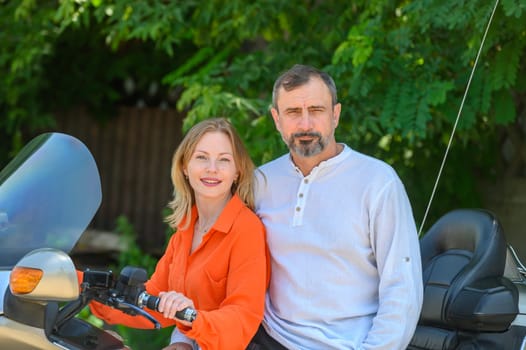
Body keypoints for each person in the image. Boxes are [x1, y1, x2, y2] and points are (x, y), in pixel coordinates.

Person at [249, 64, 423, 349]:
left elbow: (402, 288)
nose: (305, 124)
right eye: (293, 112)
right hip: (269, 339)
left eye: (316, 110)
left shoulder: (378, 181)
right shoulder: (261, 181)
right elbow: (221, 263)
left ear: (335, 115)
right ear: (276, 119)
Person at [88, 118, 270, 350]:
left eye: (224, 160)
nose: (212, 168)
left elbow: (242, 319)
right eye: (201, 157)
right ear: (185, 167)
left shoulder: (246, 229)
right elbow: (153, 299)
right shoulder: (185, 229)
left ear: (237, 171)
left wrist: (190, 319)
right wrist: (80, 286)